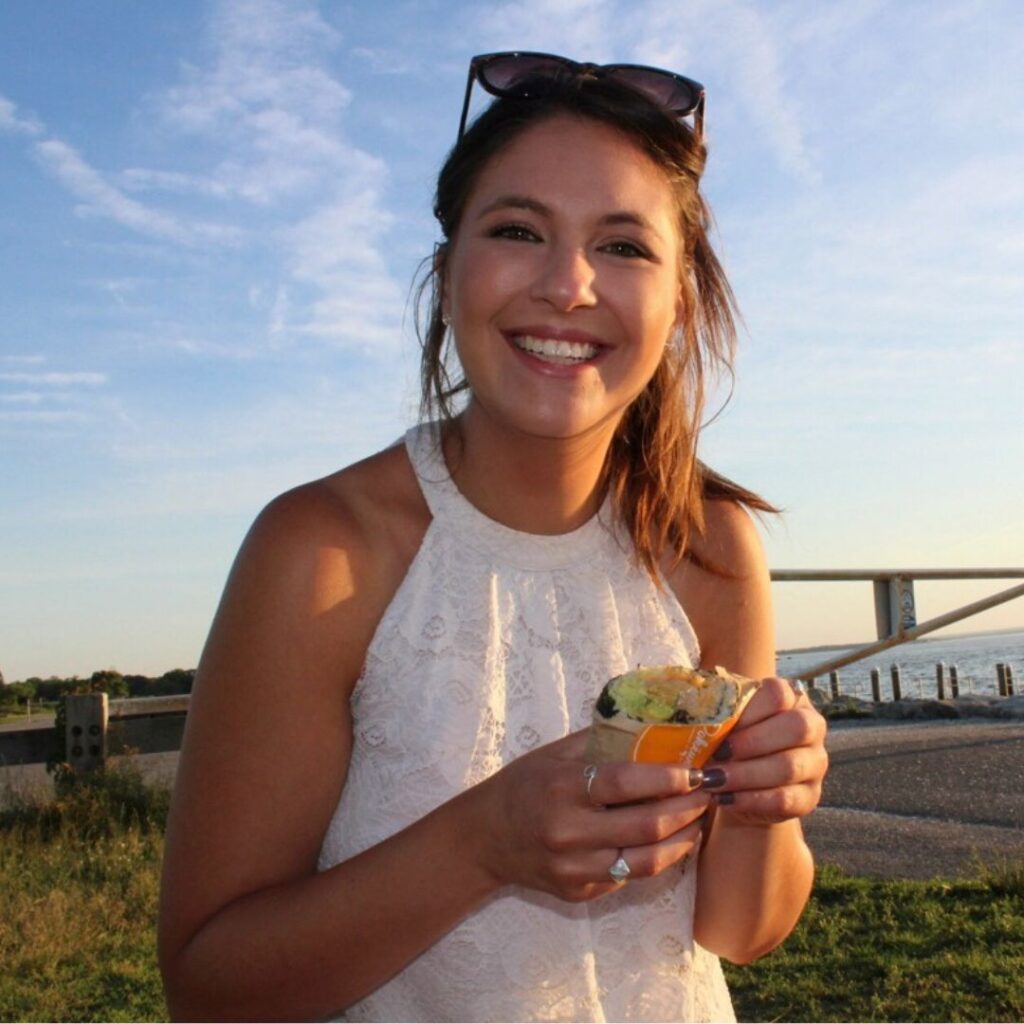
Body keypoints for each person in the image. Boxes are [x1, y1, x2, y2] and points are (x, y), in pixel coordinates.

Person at [158, 51, 828, 1023]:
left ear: (679, 297)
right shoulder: (322, 553)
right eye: (518, 230)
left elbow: (735, 931)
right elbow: (209, 986)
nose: (566, 284)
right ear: (446, 272)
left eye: (624, 246)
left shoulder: (710, 546)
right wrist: (480, 842)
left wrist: (768, 807)